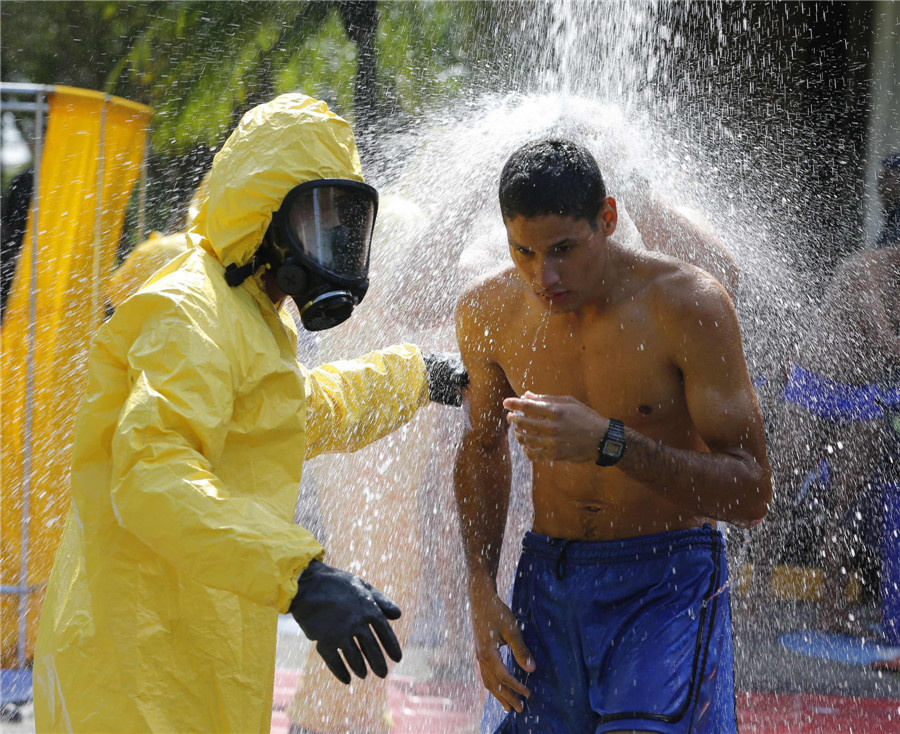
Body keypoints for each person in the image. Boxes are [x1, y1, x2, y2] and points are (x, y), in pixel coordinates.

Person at [32, 94, 466, 734]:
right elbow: (153, 476)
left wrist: (421, 375)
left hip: (191, 653)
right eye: (318, 220)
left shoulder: (246, 312)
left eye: (343, 224)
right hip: (133, 674)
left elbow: (293, 413)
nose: (333, 245)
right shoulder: (190, 311)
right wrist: (302, 576)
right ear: (265, 214)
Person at [454, 139, 771, 733]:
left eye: (563, 250)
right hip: (548, 582)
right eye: (523, 252)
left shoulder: (687, 304)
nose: (543, 276)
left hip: (666, 583)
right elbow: (482, 448)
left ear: (608, 218)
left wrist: (612, 442)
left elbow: (752, 493)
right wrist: (479, 585)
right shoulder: (487, 311)